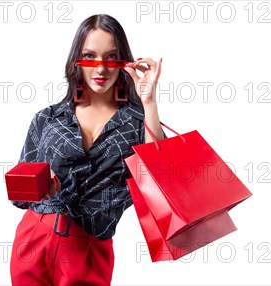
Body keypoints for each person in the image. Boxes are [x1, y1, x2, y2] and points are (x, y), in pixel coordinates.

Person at [9, 14, 166, 285]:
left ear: (124, 62)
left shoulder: (137, 122)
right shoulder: (48, 118)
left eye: (111, 57)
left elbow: (160, 177)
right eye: (90, 56)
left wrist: (149, 100)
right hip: (33, 239)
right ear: (76, 61)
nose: (101, 68)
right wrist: (42, 189)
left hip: (89, 247)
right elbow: (19, 193)